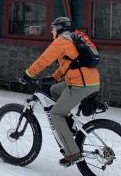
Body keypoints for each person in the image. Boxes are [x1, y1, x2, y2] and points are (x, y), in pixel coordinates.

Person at [22, 17, 100, 167]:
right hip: (91, 81)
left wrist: (28, 74)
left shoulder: (60, 41)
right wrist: (54, 77)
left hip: (81, 84)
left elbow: (44, 60)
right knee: (54, 90)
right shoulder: (73, 38)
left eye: (52, 28)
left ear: (58, 28)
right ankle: (68, 122)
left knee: (55, 114)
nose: (51, 31)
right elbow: (71, 63)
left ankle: (73, 153)